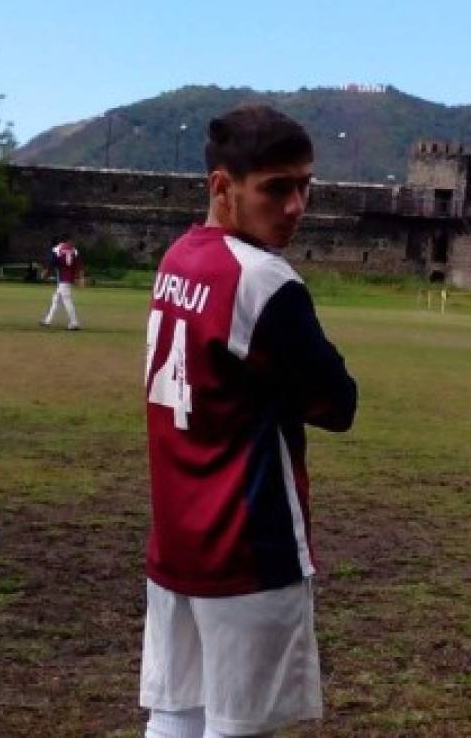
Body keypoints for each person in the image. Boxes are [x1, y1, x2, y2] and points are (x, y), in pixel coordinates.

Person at [140, 105, 357, 738]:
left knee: (177, 713)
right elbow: (338, 404)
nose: (296, 205)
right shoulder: (265, 281)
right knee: (239, 726)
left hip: (178, 539)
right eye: (276, 188)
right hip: (247, 541)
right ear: (221, 186)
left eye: (305, 185)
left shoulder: (177, 259)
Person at [39, 234, 83, 330]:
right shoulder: (74, 250)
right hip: (69, 279)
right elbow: (79, 265)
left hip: (63, 278)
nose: (72, 242)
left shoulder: (57, 249)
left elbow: (51, 263)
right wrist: (79, 278)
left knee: (67, 300)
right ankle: (48, 320)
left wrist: (45, 273)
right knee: (56, 299)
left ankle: (74, 322)